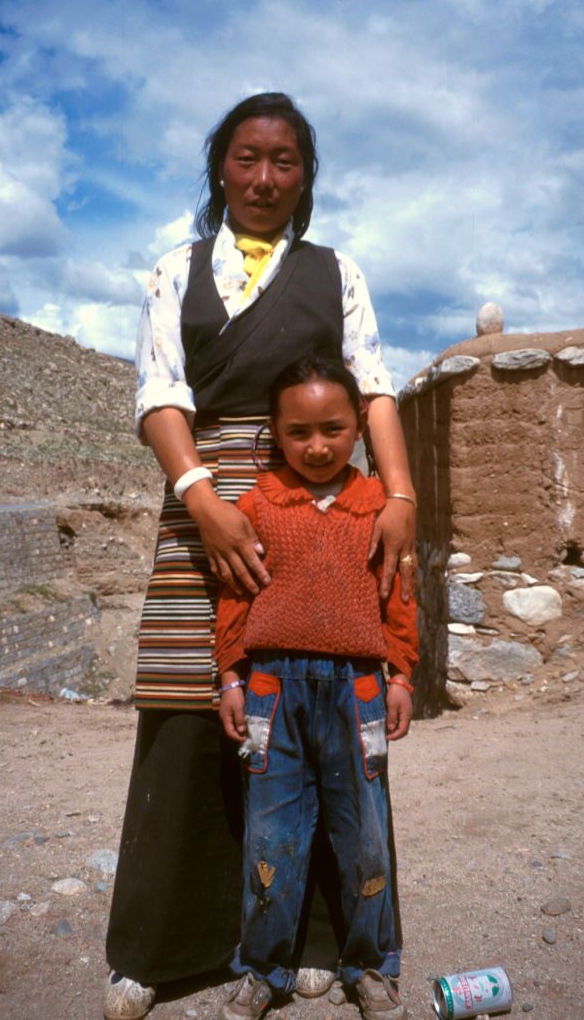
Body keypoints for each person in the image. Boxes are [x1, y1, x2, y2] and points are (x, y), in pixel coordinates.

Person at [104, 92, 417, 1020]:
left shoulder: (336, 273)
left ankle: (323, 939)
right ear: (220, 167)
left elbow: (374, 391)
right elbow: (160, 392)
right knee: (187, 704)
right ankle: (162, 947)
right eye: (248, 158)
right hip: (205, 504)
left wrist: (398, 497)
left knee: (323, 703)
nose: (265, 179)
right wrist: (203, 499)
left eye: (286, 162)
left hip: (317, 510)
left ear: (305, 178)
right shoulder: (174, 270)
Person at [215, 356, 418, 1020]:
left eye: (333, 428)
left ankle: (369, 964)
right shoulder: (257, 505)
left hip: (357, 690)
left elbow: (399, 599)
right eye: (298, 431)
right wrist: (230, 677)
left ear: (360, 425)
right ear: (275, 432)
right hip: (272, 689)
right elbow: (234, 598)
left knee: (363, 835)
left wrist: (402, 675)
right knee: (272, 837)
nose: (318, 446)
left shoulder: (379, 511)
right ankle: (262, 968)